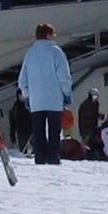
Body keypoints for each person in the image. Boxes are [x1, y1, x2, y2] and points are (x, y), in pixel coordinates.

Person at [16, 23, 73, 166]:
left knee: (38, 131)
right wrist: (66, 93)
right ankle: (53, 158)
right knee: (54, 131)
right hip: (54, 99)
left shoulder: (30, 53)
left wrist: (27, 95)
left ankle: (40, 158)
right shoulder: (56, 52)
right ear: (48, 35)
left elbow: (22, 79)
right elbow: (64, 76)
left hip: (36, 100)